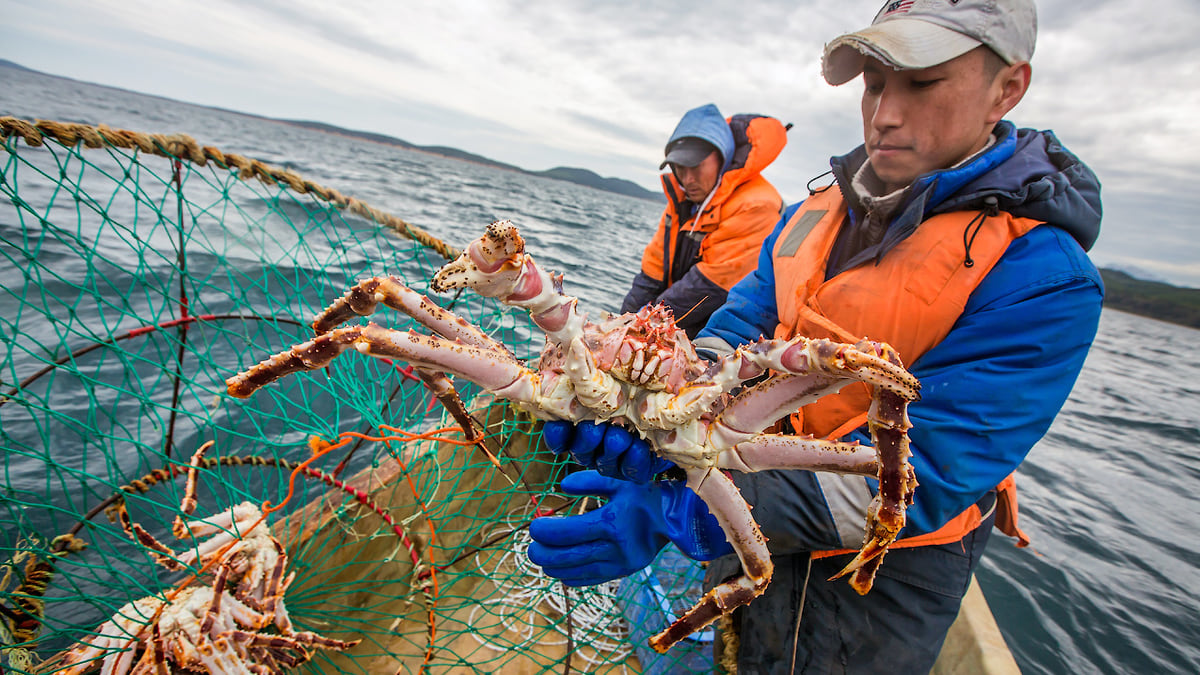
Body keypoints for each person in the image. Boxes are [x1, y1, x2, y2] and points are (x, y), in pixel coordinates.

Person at [529, 0, 1105, 672]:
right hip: (736, 491)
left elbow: (928, 472)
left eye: (921, 83)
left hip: (874, 589)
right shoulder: (811, 213)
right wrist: (654, 420)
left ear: (1007, 89)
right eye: (875, 81)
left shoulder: (1045, 278)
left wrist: (682, 509)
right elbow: (737, 327)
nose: (885, 112)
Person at [620, 103, 788, 338]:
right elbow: (651, 274)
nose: (687, 179)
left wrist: (638, 329)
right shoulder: (682, 202)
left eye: (696, 167)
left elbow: (707, 288)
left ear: (721, 157)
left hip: (728, 338)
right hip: (675, 327)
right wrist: (619, 327)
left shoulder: (757, 204)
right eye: (679, 167)